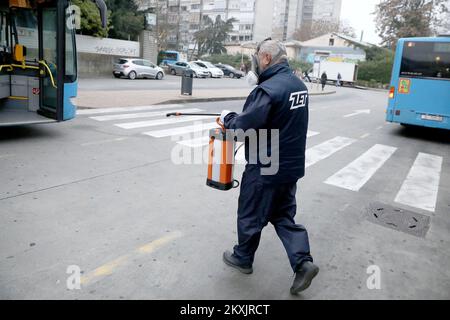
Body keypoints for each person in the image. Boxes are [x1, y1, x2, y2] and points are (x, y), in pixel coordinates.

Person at [219, 38, 319, 295]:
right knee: (283, 216)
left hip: (266, 167)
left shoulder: (268, 91)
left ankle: (242, 257)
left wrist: (227, 118)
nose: (255, 64)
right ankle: (303, 263)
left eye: (256, 58)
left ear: (265, 59)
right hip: (290, 167)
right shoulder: (299, 85)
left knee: (251, 213)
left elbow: (241, 130)